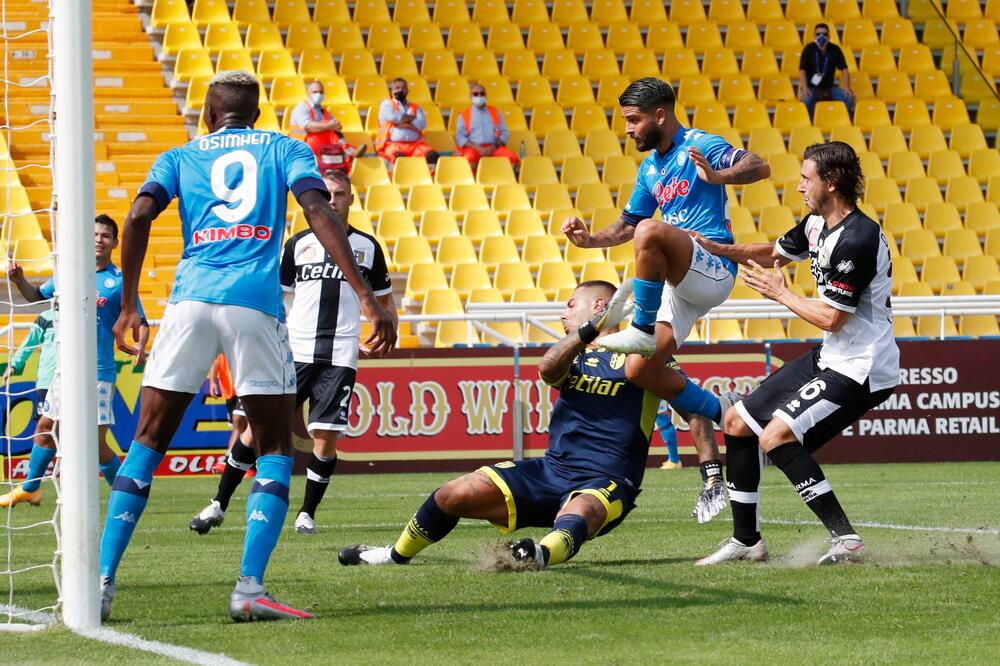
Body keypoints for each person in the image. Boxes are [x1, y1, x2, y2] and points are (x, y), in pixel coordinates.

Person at [98, 70, 396, 623]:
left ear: (210, 114)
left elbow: (138, 215)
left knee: (147, 441)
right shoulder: (284, 147)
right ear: (254, 115)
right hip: (253, 306)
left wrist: (129, 303)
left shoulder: (180, 155)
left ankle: (103, 583)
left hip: (189, 301)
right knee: (277, 446)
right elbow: (318, 211)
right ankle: (249, 589)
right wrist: (367, 297)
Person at [338, 280, 651, 570]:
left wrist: (704, 470)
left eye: (571, 304)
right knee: (453, 494)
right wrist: (588, 330)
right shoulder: (574, 356)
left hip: (606, 481)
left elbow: (688, 403)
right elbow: (547, 370)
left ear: (599, 305)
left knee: (582, 509)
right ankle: (394, 556)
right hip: (551, 471)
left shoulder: (643, 358)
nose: (562, 313)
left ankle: (537, 554)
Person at [691, 141, 898, 565]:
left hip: (863, 367)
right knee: (736, 421)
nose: (799, 185)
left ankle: (848, 541)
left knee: (776, 436)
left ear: (832, 182)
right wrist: (716, 249)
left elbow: (831, 319)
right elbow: (774, 253)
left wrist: (782, 294)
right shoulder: (816, 224)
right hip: (833, 355)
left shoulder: (858, 237)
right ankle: (747, 541)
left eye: (807, 178)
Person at [189, 169, 395, 537]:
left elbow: (385, 300)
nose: (332, 201)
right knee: (256, 430)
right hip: (293, 352)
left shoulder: (368, 247)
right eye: (326, 194)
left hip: (340, 355)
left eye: (339, 194)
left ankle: (306, 514)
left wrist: (386, 326)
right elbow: (279, 299)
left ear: (350, 200)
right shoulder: (297, 245)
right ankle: (218, 504)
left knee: (325, 437)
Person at [561, 78, 770, 426]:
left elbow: (759, 166)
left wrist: (719, 176)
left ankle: (641, 327)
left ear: (659, 115)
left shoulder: (698, 144)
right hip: (680, 283)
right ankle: (728, 412)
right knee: (639, 370)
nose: (627, 129)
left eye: (633, 119)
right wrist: (590, 240)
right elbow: (628, 225)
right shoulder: (649, 168)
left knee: (651, 230)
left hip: (713, 266)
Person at [1, 216, 149, 508]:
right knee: (45, 428)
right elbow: (35, 297)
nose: (98, 239)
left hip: (98, 372)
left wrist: (141, 344)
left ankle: (125, 494)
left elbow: (140, 320)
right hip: (65, 371)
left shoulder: (119, 281)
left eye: (105, 236)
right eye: (94, 234)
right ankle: (30, 487)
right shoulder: (69, 273)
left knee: (95, 446)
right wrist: (19, 280)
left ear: (115, 243)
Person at [0, 309, 56, 507]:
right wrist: (14, 364)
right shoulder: (47, 316)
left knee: (71, 438)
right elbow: (30, 342)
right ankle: (32, 488)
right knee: (45, 433)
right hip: (47, 382)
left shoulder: (88, 311)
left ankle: (32, 488)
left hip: (81, 381)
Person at [289, 80, 364, 174]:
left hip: (320, 143)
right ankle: (350, 153)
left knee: (330, 128)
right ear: (308, 92)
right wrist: (329, 125)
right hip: (303, 144)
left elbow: (335, 125)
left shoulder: (323, 111)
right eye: (315, 92)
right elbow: (308, 126)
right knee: (329, 127)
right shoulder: (301, 108)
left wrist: (335, 125)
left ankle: (346, 160)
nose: (318, 94)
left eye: (321, 92)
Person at [375, 78, 439, 167]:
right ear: (392, 91)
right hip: (392, 145)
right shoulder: (387, 104)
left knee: (433, 156)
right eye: (397, 88)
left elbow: (422, 124)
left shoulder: (416, 107)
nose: (400, 90)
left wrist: (401, 123)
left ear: (407, 90)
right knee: (400, 159)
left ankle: (426, 178)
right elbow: (393, 117)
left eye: (403, 88)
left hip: (416, 145)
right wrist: (412, 120)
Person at [455, 82, 519, 169]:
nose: (479, 96)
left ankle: (501, 179)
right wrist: (478, 148)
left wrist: (492, 147)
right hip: (473, 148)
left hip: (493, 147)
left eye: (482, 93)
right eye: (475, 94)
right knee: (468, 160)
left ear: (486, 96)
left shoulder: (495, 112)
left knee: (512, 158)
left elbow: (504, 133)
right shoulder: (464, 114)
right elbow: (460, 137)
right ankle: (476, 181)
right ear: (470, 97)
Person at [798, 23, 854, 118]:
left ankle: (841, 119)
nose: (821, 36)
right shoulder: (808, 49)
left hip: (829, 88)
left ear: (829, 36)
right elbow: (802, 70)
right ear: (814, 36)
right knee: (807, 100)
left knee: (849, 97)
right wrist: (805, 88)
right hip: (812, 87)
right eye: (818, 34)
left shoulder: (835, 49)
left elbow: (844, 68)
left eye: (824, 34)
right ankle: (813, 121)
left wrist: (847, 87)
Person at [207, 353, 249, 475]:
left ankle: (227, 460)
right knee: (241, 427)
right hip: (230, 390)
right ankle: (246, 464)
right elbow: (216, 360)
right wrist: (213, 382)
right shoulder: (221, 339)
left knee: (238, 421)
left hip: (246, 385)